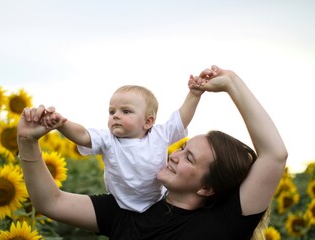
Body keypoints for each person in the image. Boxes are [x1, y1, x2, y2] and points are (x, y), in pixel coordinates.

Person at [17, 65, 288, 239]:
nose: (174, 155)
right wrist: (27, 141)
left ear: (206, 187)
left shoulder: (222, 225)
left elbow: (274, 155)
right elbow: (50, 202)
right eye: (182, 147)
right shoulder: (129, 208)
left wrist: (231, 82)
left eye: (188, 158)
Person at [37, 79, 205, 212]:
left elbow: (181, 119)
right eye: (112, 112)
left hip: (157, 203)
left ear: (148, 121)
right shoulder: (108, 139)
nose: (116, 116)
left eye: (126, 111)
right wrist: (61, 124)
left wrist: (194, 94)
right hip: (119, 205)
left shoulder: (159, 135)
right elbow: (82, 135)